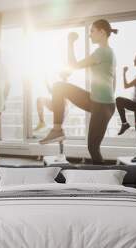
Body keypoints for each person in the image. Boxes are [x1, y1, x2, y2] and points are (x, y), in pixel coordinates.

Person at [39, 19, 117, 165]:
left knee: (93, 147)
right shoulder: (108, 52)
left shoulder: (103, 51)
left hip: (103, 105)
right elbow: (113, 79)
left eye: (92, 31)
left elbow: (73, 65)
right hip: (97, 101)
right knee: (59, 87)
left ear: (102, 32)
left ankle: (104, 180)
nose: (89, 35)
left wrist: (70, 42)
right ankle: (57, 130)